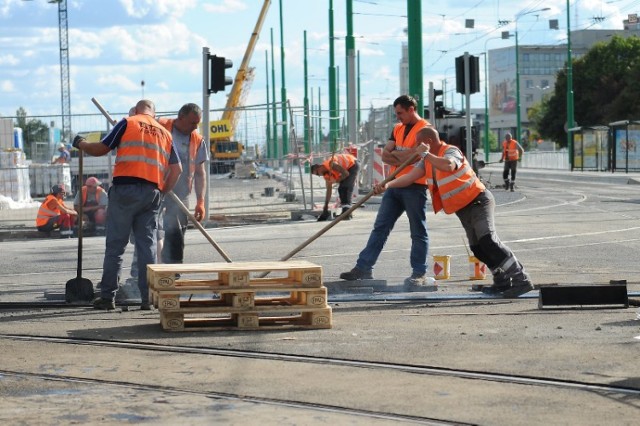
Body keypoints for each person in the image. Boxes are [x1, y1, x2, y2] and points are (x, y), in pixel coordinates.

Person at [375, 126, 533, 298]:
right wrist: (387, 185)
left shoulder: (450, 151)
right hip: (463, 208)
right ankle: (501, 280)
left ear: (427, 142)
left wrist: (426, 154)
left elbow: (449, 166)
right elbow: (410, 177)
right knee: (478, 249)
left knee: (488, 241)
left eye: (418, 144)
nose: (416, 148)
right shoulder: (426, 161)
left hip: (478, 201)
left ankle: (521, 279)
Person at [72, 99, 182, 311]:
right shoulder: (165, 133)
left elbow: (100, 149)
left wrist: (82, 143)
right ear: (154, 113)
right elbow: (177, 171)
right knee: (147, 247)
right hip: (151, 194)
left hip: (124, 191)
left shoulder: (128, 122)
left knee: (116, 246)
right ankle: (146, 299)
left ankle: (107, 297)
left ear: (135, 110)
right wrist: (162, 191)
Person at [339, 95, 432, 288]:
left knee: (418, 231)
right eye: (396, 113)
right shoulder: (397, 129)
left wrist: (399, 155)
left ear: (411, 109)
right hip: (393, 184)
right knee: (380, 227)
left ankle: (419, 273)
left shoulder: (426, 130)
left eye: (400, 113)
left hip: (415, 186)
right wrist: (405, 154)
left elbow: (417, 158)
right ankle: (363, 268)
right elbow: (386, 157)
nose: (398, 117)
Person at [157, 103, 209, 265]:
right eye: (192, 122)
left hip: (180, 191)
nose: (195, 127)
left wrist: (200, 201)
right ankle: (144, 271)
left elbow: (200, 173)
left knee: (176, 231)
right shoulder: (160, 127)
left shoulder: (197, 140)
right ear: (181, 117)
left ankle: (173, 271)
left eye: (197, 123)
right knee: (150, 230)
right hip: (156, 187)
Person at [311, 152, 360, 221]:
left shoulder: (331, 164)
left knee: (345, 188)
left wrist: (337, 180)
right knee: (342, 189)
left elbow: (346, 173)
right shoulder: (326, 175)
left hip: (353, 164)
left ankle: (347, 213)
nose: (319, 175)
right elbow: (329, 191)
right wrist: (325, 207)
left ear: (319, 167)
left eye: (317, 173)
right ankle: (346, 212)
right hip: (347, 169)